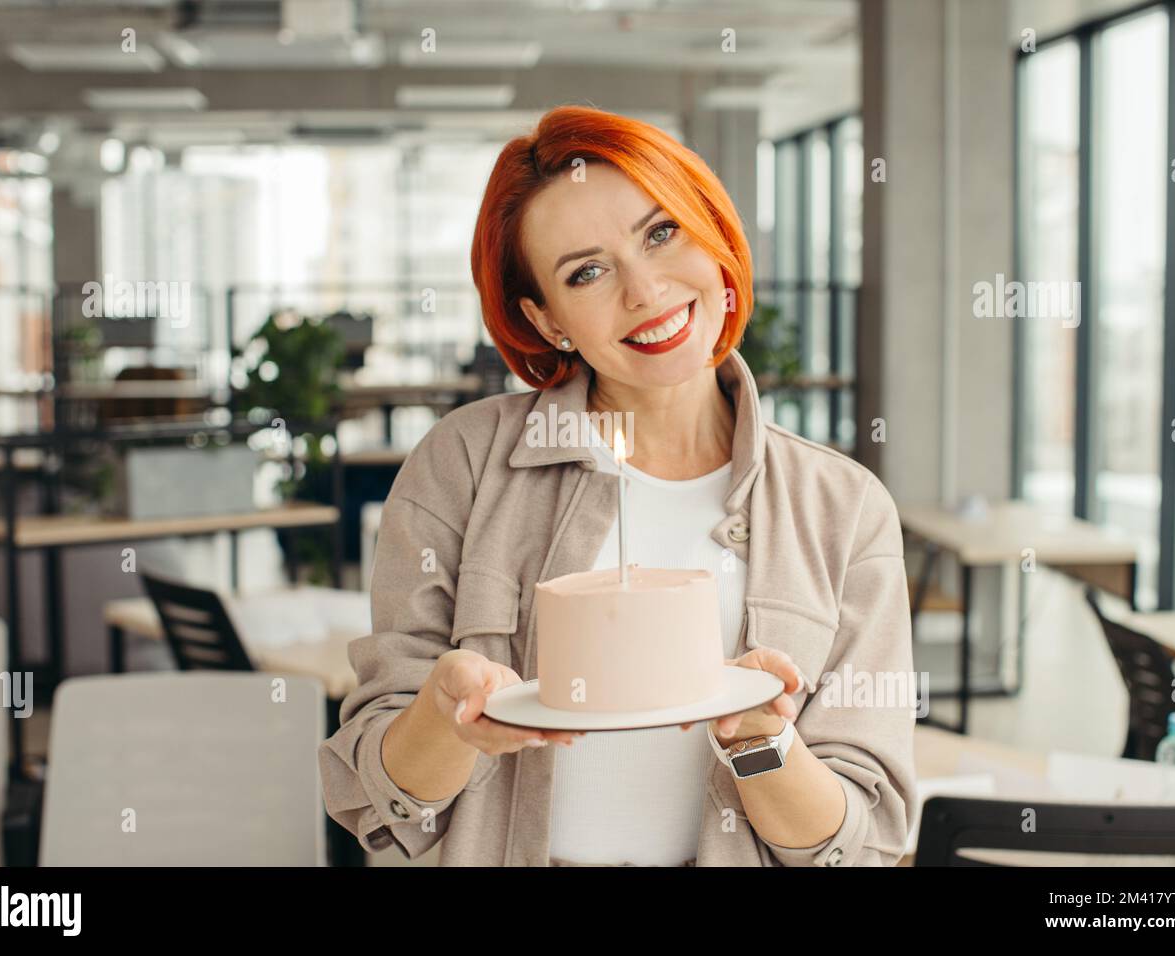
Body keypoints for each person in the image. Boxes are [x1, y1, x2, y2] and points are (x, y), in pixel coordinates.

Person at [318, 105, 917, 866]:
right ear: (547, 318)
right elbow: (379, 805)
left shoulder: (844, 507)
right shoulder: (460, 465)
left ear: (711, 232)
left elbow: (855, 846)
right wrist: (447, 719)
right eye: (587, 272)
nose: (645, 291)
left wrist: (762, 738)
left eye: (661, 232)